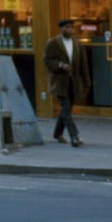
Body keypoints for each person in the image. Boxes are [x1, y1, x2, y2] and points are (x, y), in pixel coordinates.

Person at [43, 18, 92, 147]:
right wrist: (60, 65)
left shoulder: (78, 44)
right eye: (66, 27)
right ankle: (74, 136)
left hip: (73, 82)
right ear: (61, 29)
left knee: (67, 108)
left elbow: (84, 65)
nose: (69, 30)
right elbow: (47, 61)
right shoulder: (53, 43)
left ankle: (57, 133)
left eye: (71, 27)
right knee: (65, 107)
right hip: (59, 82)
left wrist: (87, 83)